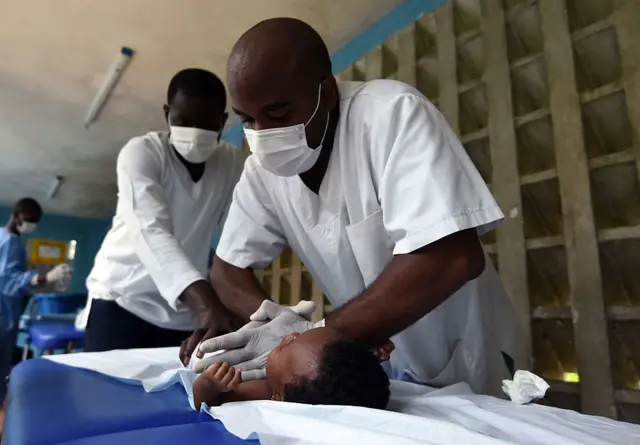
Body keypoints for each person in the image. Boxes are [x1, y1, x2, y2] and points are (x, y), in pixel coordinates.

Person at [186, 18, 527, 398]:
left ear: (327, 93)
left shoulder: (392, 115)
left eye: (278, 114)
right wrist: (277, 329)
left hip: (465, 358)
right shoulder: (261, 173)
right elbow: (227, 272)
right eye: (248, 120)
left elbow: (451, 256)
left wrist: (323, 337)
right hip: (372, 371)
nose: (263, 135)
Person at [84, 68, 244, 352]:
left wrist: (243, 304)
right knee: (106, 393)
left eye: (206, 125)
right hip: (124, 298)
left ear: (223, 121)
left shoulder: (230, 162)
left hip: (184, 312)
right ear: (166, 113)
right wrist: (208, 304)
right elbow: (151, 231)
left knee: (182, 392)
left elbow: (238, 234)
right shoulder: (142, 154)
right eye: (183, 122)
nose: (194, 135)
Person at [192, 326, 392, 409]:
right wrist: (364, 361)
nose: (291, 335)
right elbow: (352, 380)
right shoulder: (338, 388)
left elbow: (208, 405)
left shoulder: (266, 392)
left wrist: (208, 385)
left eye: (284, 347)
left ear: (280, 396)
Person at [0, 198, 71, 402]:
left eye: (35, 221)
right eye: (28, 219)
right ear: (15, 215)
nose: (30, 225)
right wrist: (46, 277)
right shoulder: (10, 242)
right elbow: (8, 281)